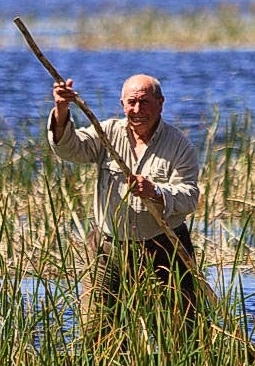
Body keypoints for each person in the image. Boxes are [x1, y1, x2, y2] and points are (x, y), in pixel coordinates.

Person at [47, 74, 200, 341]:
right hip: (108, 248)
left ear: (161, 103)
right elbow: (70, 149)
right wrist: (61, 110)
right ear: (122, 104)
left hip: (164, 247)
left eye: (145, 102)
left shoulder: (179, 146)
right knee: (97, 332)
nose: (138, 110)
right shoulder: (107, 133)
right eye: (132, 102)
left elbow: (189, 196)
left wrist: (156, 192)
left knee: (180, 333)